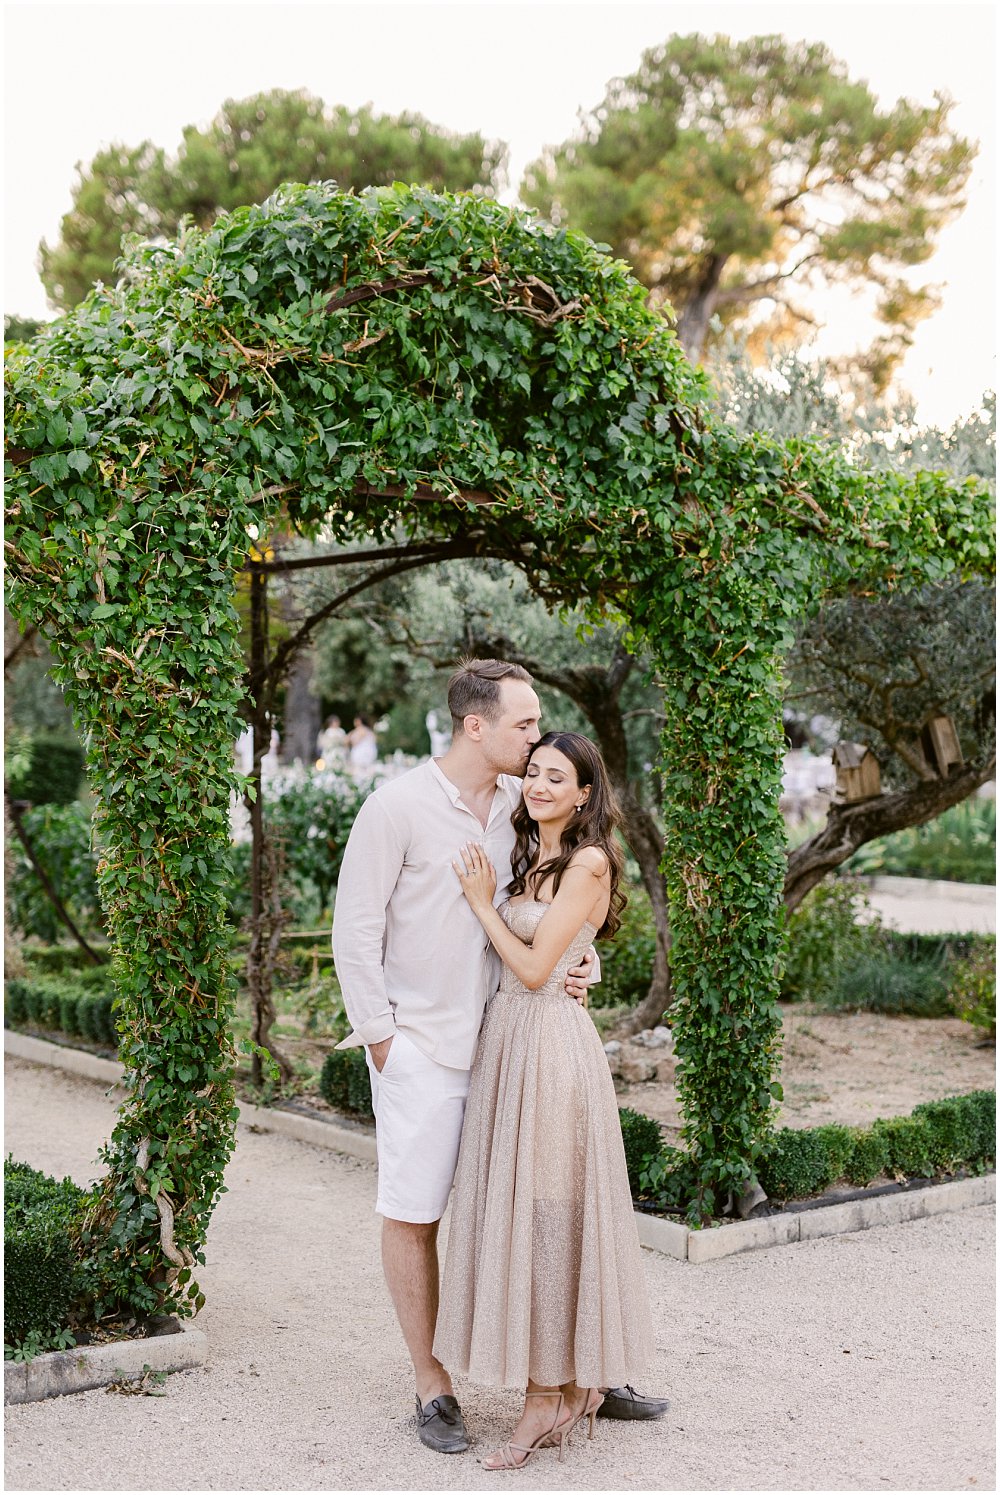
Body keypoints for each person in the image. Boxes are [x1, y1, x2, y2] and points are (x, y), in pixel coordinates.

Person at [331, 661, 667, 1455]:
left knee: (544, 1206)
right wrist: (382, 1038)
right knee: (416, 1214)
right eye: (525, 724)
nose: (536, 737)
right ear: (476, 726)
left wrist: (583, 960)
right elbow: (355, 930)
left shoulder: (526, 802)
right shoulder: (397, 807)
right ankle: (432, 1385)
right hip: (425, 1050)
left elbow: (562, 902)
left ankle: (584, 1369)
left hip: (513, 1052)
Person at [433, 732, 656, 1470]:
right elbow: (556, 951)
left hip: (551, 1050)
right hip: (508, 1049)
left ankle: (546, 1398)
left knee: (550, 1218)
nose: (538, 784)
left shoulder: (589, 861)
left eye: (557, 776)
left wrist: (479, 904)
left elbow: (533, 969)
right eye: (534, 772)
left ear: (586, 793)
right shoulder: (530, 855)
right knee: (525, 1214)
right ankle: (566, 1387)